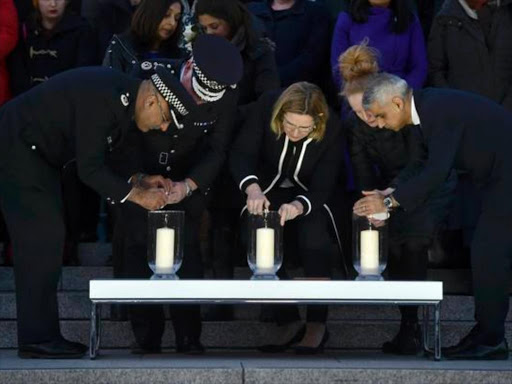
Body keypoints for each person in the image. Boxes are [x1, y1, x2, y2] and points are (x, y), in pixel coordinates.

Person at [0, 65, 188, 359]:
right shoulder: (105, 99)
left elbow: (108, 153)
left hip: (38, 155)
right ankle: (37, 337)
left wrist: (137, 178)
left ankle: (41, 335)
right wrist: (138, 196)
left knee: (48, 237)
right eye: (165, 119)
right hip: (18, 145)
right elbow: (90, 169)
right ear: (152, 101)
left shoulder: (122, 97)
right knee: (41, 238)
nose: (163, 128)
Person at [354, 73, 512, 360]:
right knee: (487, 252)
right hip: (495, 179)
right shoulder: (425, 110)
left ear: (398, 103)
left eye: (379, 116)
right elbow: (421, 163)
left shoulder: (436, 110)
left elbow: (437, 173)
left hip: (505, 176)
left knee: (489, 253)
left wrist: (389, 203)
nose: (377, 124)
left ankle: (491, 337)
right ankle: (489, 333)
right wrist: (391, 191)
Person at [115, 34, 243, 354]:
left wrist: (188, 185)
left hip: (188, 179)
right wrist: (139, 179)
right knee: (135, 250)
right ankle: (146, 336)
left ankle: (188, 335)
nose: (199, 104)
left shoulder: (226, 96)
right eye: (196, 96)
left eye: (206, 101)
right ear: (189, 68)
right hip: (141, 174)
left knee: (188, 255)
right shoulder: (150, 74)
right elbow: (123, 134)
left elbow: (217, 149)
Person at [339, 43, 455, 355]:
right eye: (355, 111)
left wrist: (391, 195)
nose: (365, 118)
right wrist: (372, 201)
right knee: (391, 243)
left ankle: (412, 325)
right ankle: (407, 323)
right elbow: (362, 167)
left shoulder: (405, 113)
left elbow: (420, 161)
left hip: (426, 181)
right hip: (390, 188)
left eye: (367, 110)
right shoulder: (354, 125)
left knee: (414, 241)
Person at [230, 82, 345, 354]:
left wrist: (298, 205)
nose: (294, 133)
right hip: (264, 188)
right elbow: (241, 154)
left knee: (314, 239)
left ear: (317, 124)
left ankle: (317, 324)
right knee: (259, 238)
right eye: (289, 125)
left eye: (303, 129)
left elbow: (325, 181)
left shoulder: (333, 126)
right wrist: (253, 189)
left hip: (309, 195)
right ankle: (288, 318)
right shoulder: (266, 107)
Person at [195, 0, 280, 312]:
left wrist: (227, 114)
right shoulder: (202, 51)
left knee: (257, 221)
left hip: (250, 141)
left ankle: (270, 303)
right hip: (214, 140)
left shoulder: (259, 51)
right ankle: (222, 298)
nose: (210, 33)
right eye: (204, 29)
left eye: (215, 27)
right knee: (220, 220)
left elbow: (269, 97)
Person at [331, 0, 427, 95]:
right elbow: (339, 70)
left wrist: (400, 95)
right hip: (359, 98)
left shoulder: (409, 19)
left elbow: (419, 68)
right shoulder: (347, 19)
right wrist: (363, 97)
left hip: (400, 97)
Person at [8, 0, 97, 95]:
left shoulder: (82, 31)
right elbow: (19, 77)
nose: (53, 4)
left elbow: (83, 74)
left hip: (68, 100)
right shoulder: (25, 32)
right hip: (31, 102)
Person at [247, 0, 331, 88]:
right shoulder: (252, 11)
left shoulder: (316, 12)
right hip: (255, 91)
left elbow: (313, 57)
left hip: (297, 92)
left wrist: (273, 79)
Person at [103, 0, 187, 75]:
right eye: (166, 15)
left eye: (177, 18)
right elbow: (109, 87)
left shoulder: (179, 55)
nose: (172, 23)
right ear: (149, 14)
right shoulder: (122, 46)